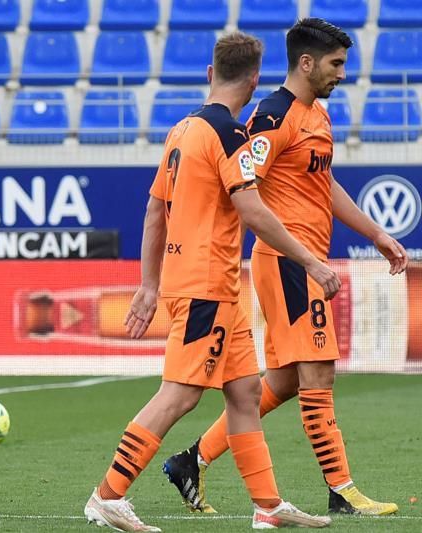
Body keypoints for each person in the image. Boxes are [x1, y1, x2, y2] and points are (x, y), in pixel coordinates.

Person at [83, 32, 339, 532]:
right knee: (180, 394)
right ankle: (108, 495)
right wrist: (311, 261)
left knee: (245, 393)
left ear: (209, 74)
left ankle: (268, 506)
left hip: (210, 286)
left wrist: (149, 284)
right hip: (205, 286)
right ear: (255, 80)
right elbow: (253, 211)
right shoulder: (230, 135)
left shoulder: (182, 129)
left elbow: (155, 209)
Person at [163, 18, 408, 518]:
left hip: (304, 262)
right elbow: (242, 187)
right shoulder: (273, 117)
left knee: (284, 381)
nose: (342, 74)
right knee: (318, 372)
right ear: (306, 62)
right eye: (336, 64)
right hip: (289, 263)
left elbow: (324, 183)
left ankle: (192, 460)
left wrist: (377, 233)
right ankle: (342, 490)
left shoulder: (316, 114)